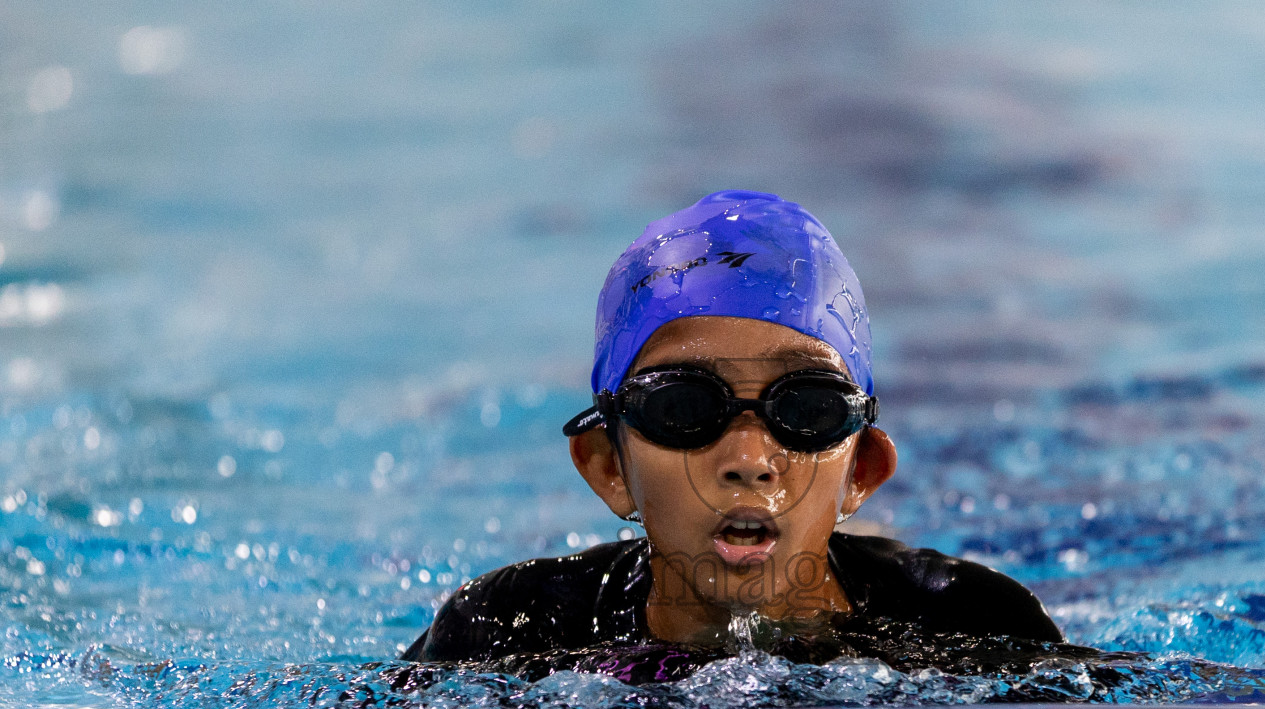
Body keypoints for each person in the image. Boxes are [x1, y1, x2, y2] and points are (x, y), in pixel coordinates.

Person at [403, 190, 1061, 668]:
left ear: (860, 470)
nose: (749, 457)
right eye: (683, 406)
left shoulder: (973, 627)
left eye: (807, 409)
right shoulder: (509, 630)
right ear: (609, 466)